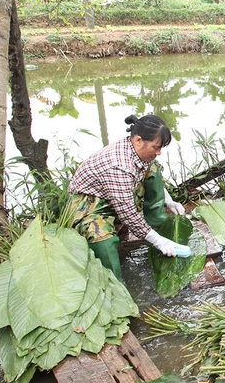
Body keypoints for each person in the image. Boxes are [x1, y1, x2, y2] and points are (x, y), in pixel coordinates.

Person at [67, 114, 190, 278]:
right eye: (156, 147)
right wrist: (159, 241)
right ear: (138, 140)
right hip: (89, 204)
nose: (159, 152)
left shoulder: (137, 151)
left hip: (115, 195)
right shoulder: (119, 166)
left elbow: (149, 172)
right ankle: (114, 284)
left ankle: (156, 220)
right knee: (102, 239)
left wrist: (168, 200)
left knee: (153, 166)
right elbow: (128, 215)